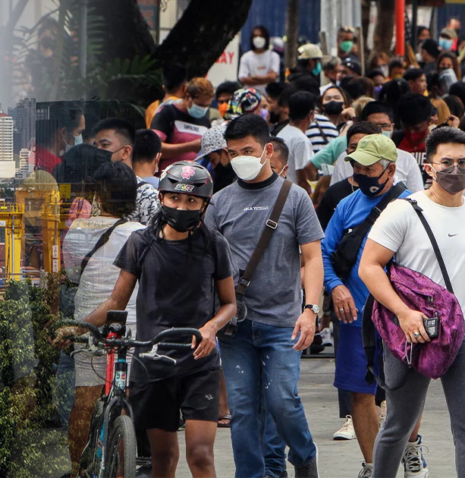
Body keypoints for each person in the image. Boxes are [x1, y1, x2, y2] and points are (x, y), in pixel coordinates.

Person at [63, 162, 237, 478]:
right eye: (174, 199)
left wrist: (211, 327)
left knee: (200, 456)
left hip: (199, 363)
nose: (182, 207)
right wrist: (79, 326)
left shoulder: (215, 245)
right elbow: (116, 301)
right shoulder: (140, 243)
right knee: (163, 458)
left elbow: (229, 304)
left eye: (192, 201)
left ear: (204, 204)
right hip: (152, 364)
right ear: (161, 197)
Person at [207, 114, 324, 478]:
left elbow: (312, 257)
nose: (240, 157)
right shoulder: (219, 202)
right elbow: (205, 263)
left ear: (267, 150)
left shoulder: (295, 197)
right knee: (242, 410)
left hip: (282, 323)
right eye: (233, 152)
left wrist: (311, 310)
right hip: (235, 326)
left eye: (248, 150)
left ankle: (304, 456)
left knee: (282, 402)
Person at [358, 126, 465, 478]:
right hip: (414, 332)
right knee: (398, 425)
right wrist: (404, 313)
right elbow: (369, 267)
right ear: (429, 167)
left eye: (463, 162)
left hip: (462, 334)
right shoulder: (404, 211)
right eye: (446, 162)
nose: (455, 169)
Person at [321, 134, 414, 478]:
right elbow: (324, 253)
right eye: (357, 165)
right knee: (360, 395)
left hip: (400, 319)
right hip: (355, 319)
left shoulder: (411, 204)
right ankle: (374, 467)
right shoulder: (346, 205)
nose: (360, 172)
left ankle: (413, 449)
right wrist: (336, 288)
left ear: (390, 169)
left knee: (405, 394)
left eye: (368, 166)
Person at [59, 161, 146, 473]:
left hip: (89, 326)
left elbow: (71, 274)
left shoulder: (78, 232)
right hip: (134, 327)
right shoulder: (143, 234)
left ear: (98, 195)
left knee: (85, 398)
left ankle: (75, 467)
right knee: (133, 393)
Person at [330, 109, 425, 193]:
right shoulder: (346, 203)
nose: (362, 173)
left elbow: (417, 196)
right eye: (357, 167)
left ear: (390, 171)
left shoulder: (404, 202)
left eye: (369, 169)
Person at [92, 119, 159, 226]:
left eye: (104, 145)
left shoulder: (148, 196)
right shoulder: (95, 190)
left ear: (126, 151)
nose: (98, 151)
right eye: (95, 147)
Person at [151, 77, 214, 172]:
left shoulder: (205, 121)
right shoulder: (167, 113)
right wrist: (190, 147)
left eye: (207, 106)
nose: (203, 109)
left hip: (196, 179)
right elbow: (154, 147)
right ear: (188, 97)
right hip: (168, 177)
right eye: (200, 105)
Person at [277, 91, 317, 192]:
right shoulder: (301, 140)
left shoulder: (281, 133)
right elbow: (303, 178)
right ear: (311, 114)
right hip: (295, 196)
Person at [35, 103, 85, 174]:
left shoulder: (34, 154)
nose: (81, 138)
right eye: (79, 133)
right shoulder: (55, 169)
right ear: (63, 132)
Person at [393, 93, 434, 168]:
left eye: (417, 128)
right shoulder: (393, 143)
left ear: (429, 121)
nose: (412, 133)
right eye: (406, 128)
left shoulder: (441, 144)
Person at [239, 25, 280, 96]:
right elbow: (243, 79)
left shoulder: (273, 56)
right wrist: (267, 78)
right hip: (250, 96)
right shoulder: (246, 57)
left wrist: (253, 77)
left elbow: (273, 77)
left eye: (261, 36)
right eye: (255, 36)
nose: (258, 39)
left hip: (268, 96)